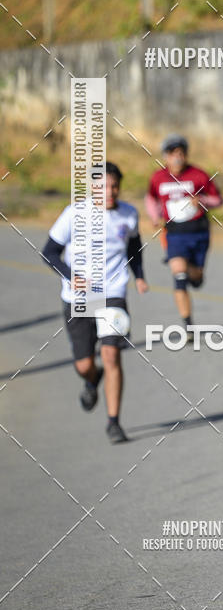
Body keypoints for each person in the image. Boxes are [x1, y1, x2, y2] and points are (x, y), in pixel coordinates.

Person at [42, 162, 148, 444]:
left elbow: (133, 249)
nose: (110, 191)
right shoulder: (73, 214)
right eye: (103, 186)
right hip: (77, 297)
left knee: (112, 355)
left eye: (114, 186)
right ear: (92, 187)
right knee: (84, 364)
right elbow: (49, 252)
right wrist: (70, 275)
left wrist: (139, 276)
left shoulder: (128, 214)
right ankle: (91, 379)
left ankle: (114, 422)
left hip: (112, 293)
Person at [145, 135, 223, 332]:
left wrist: (202, 201)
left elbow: (218, 199)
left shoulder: (199, 175)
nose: (177, 157)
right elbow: (150, 198)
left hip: (198, 232)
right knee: (178, 275)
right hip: (174, 233)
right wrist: (155, 216)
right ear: (165, 156)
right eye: (173, 153)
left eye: (181, 153)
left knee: (195, 279)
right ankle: (188, 325)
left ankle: (194, 272)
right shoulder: (158, 177)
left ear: (186, 155)